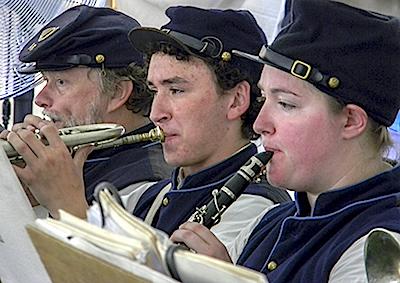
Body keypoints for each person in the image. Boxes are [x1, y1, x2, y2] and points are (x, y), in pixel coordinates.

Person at [170, 0, 400, 281]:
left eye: (286, 104)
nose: (260, 124)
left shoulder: (383, 247)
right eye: (265, 98)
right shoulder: (271, 222)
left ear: (351, 120)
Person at [126, 6, 290, 251]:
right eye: (154, 90)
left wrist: (67, 198)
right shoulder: (150, 196)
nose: (155, 113)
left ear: (236, 100)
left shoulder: (257, 210)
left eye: (176, 90)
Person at [4, 5, 172, 217]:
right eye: (46, 81)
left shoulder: (146, 185)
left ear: (117, 92)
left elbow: (103, 251)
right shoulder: (87, 155)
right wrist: (16, 192)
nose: (40, 99)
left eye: (61, 82)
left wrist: (61, 203)